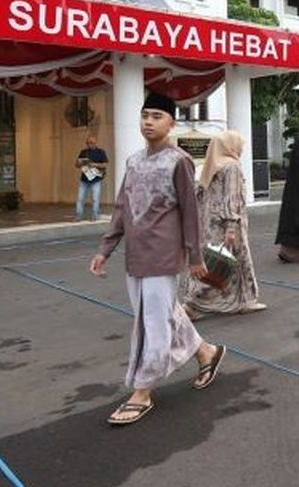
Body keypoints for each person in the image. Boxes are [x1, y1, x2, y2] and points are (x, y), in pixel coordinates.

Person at [89, 92, 225, 426]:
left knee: (152, 324)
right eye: (145, 115)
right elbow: (122, 207)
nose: (149, 121)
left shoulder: (178, 160)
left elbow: (190, 212)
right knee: (162, 314)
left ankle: (143, 390)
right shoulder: (134, 161)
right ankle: (206, 351)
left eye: (157, 116)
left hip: (164, 254)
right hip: (135, 254)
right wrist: (105, 248)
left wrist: (194, 254)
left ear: (171, 122)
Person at [184, 130, 266, 318]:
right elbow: (232, 198)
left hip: (209, 224)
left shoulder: (211, 165)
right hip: (227, 224)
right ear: (230, 145)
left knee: (215, 261)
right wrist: (231, 227)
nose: (242, 148)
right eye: (240, 144)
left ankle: (235, 301)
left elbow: (199, 195)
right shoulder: (231, 167)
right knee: (232, 261)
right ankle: (196, 304)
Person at [75, 135, 109, 221]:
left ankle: (94, 215)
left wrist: (94, 164)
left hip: (96, 179)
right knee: (80, 198)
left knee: (95, 199)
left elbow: (105, 164)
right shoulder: (83, 152)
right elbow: (76, 165)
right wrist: (79, 163)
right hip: (84, 179)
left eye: (91, 143)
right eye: (88, 143)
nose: (90, 144)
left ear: (95, 143)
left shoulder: (101, 152)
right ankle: (78, 215)